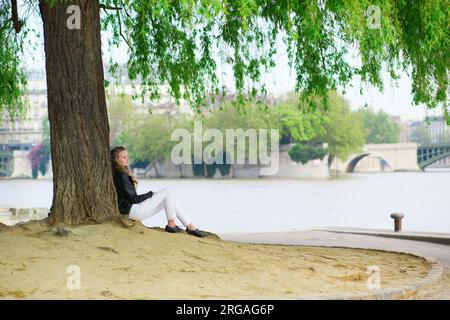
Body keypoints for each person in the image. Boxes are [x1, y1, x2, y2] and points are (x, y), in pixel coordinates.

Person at [111, 146, 207, 238]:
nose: (127, 159)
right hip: (133, 210)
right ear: (116, 159)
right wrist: (149, 194)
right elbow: (133, 199)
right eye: (124, 157)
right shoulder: (121, 175)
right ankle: (173, 225)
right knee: (168, 192)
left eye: (127, 157)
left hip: (133, 211)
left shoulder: (120, 173)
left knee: (169, 198)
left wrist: (151, 195)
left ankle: (189, 226)